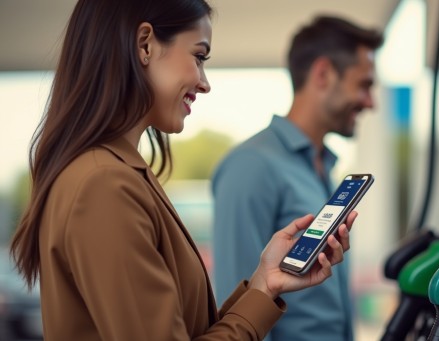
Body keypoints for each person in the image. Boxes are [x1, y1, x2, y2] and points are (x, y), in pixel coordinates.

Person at [8, 1, 357, 340]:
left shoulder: (115, 173)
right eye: (199, 56)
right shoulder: (104, 184)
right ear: (144, 44)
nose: (205, 82)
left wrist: (265, 284)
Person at [211, 15, 384, 341]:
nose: (370, 102)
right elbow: (236, 307)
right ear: (323, 74)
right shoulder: (251, 166)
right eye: (364, 85)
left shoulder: (324, 166)